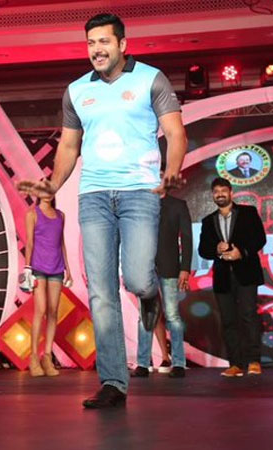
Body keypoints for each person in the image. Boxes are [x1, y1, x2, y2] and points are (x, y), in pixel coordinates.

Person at [17, 13, 187, 408]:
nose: (97, 49)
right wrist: (52, 185)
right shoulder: (77, 91)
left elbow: (176, 132)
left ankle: (149, 296)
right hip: (93, 195)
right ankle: (113, 381)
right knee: (101, 292)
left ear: (122, 44)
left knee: (139, 278)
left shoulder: (151, 79)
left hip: (139, 192)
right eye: (91, 43)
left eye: (104, 41)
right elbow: (68, 146)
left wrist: (172, 171)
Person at [198, 177, 266, 377]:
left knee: (248, 316)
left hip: (246, 273)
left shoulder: (248, 212)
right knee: (228, 321)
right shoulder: (208, 221)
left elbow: (259, 239)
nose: (220, 194)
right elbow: (203, 250)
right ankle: (235, 363)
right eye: (216, 191)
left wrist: (241, 252)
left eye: (223, 190)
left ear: (231, 192)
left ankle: (254, 361)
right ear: (212, 195)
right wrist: (216, 250)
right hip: (222, 277)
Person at [132, 192, 192, 378]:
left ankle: (179, 363)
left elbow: (187, 238)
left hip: (170, 267)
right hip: (144, 268)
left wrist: (185, 268)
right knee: (145, 316)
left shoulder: (177, 204)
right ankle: (143, 363)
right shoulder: (140, 203)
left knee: (172, 315)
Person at [23, 195, 72, 377]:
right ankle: (34, 357)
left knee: (53, 311)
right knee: (41, 309)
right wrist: (27, 268)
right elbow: (29, 242)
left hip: (57, 267)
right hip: (38, 267)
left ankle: (48, 356)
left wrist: (68, 268)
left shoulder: (60, 215)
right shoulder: (32, 214)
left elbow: (61, 243)